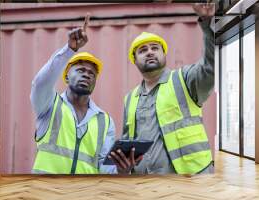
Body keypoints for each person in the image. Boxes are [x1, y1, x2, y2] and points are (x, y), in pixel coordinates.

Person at [109, 4, 215, 175]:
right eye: (143, 50)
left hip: (191, 181)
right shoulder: (131, 98)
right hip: (146, 185)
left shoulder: (185, 79)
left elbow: (210, 68)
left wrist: (208, 23)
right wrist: (125, 167)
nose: (150, 52)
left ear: (164, 55)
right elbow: (129, 143)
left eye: (155, 48)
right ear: (135, 61)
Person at [30, 14, 116, 174]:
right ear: (67, 75)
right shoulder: (49, 106)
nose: (87, 75)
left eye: (92, 73)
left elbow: (107, 168)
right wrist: (70, 50)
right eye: (81, 70)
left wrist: (123, 171)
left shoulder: (105, 121)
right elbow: (40, 83)